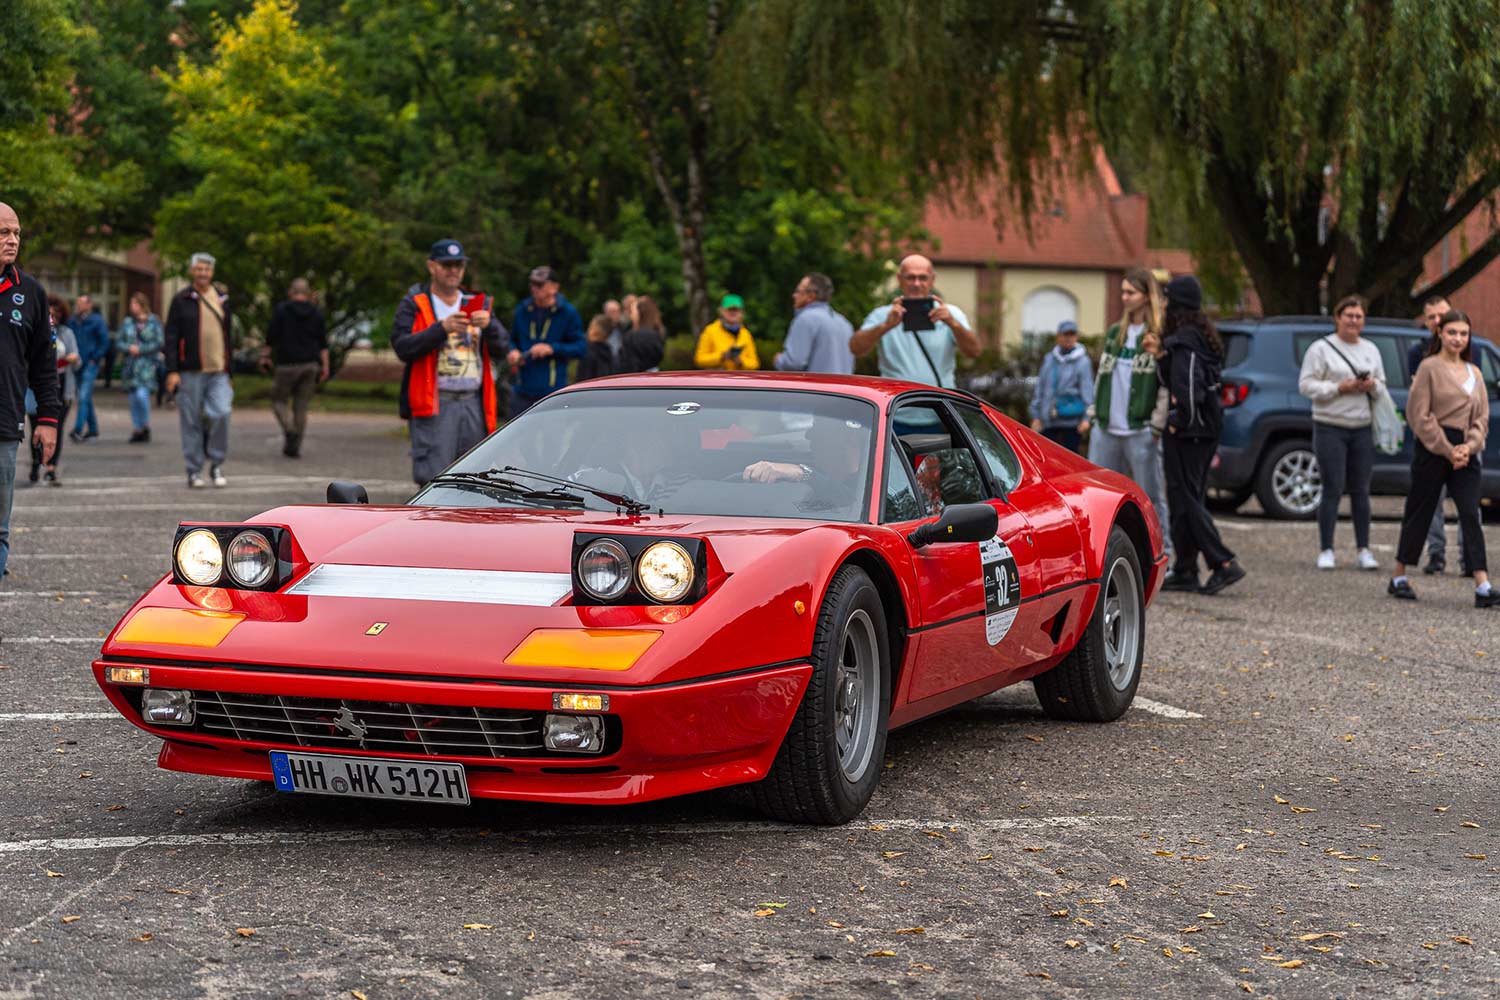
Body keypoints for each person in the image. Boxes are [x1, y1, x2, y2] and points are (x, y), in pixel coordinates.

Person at [1388, 310, 1494, 607]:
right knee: (1420, 510)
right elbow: (1418, 415)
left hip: (1466, 451)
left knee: (1470, 513)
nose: (1458, 339)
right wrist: (1447, 449)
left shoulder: (1474, 372)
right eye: (1452, 333)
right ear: (1440, 334)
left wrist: (1468, 447)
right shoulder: (1429, 368)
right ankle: (1399, 575)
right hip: (1434, 448)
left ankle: (1482, 584)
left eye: (1463, 333)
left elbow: (1481, 417)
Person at [393, 240, 511, 486]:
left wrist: (490, 326)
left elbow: (503, 348)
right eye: (447, 265)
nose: (453, 270)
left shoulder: (479, 303)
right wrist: (441, 329)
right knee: (433, 477)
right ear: (432, 266)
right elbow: (402, 347)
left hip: (473, 403)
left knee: (474, 478)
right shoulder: (415, 303)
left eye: (459, 265)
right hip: (436, 402)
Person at [1158, 275, 1244, 595]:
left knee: (1187, 497)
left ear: (1176, 304)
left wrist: (1180, 421)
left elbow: (1185, 385)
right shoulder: (1199, 336)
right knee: (1183, 497)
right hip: (1205, 428)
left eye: (1166, 299)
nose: (1163, 305)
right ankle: (1185, 569)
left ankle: (1222, 562)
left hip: (1191, 431)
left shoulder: (1186, 339)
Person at [1297, 294, 1387, 571]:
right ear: (1338, 318)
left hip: (1361, 427)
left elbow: (1382, 386)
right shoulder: (1320, 349)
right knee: (1332, 487)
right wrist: (1338, 388)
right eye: (1349, 315)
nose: (1354, 321)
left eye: (1359, 316)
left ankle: (1363, 549)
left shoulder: (1371, 349)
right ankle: (1326, 548)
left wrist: (1371, 385)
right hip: (1329, 426)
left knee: (1361, 489)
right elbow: (1306, 385)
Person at [1089, 267, 1172, 558]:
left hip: (1140, 429)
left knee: (1150, 495)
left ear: (1146, 296)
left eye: (1130, 292)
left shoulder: (1157, 336)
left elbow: (1164, 384)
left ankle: (1164, 552)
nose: (1124, 297)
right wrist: (1093, 413)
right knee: (1097, 495)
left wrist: (1156, 426)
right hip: (1106, 427)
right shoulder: (1115, 333)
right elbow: (1102, 376)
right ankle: (1099, 552)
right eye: (1122, 291)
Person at [0, 202, 62, 581]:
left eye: (16, 233)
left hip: (4, 426)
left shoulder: (32, 293)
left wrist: (49, 419)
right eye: (3, 233)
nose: (12, 240)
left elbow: (44, 363)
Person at [851, 254, 982, 387]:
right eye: (910, 277)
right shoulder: (883, 315)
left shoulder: (951, 313)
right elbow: (856, 348)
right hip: (898, 402)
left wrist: (952, 323)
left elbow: (974, 352)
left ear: (932, 280)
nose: (916, 284)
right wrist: (885, 326)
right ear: (899, 279)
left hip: (938, 402)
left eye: (923, 278)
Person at [164, 252, 234, 488]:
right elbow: (171, 336)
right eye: (199, 269)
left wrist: (230, 371)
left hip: (219, 370)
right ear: (192, 271)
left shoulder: (223, 298)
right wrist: (172, 370)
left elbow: (228, 336)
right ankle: (194, 470)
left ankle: (216, 463)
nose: (203, 273)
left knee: (221, 413)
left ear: (212, 272)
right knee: (191, 420)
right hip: (190, 371)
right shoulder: (181, 299)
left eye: (207, 269)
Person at [1409, 294, 1462, 575]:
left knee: (1467, 503)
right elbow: (1420, 402)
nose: (1437, 321)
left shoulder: (1468, 350)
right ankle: (1436, 554)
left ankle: (1470, 560)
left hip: (1462, 437)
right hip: (1431, 438)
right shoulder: (1418, 354)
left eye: (1442, 315)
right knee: (1432, 500)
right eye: (1431, 317)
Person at [262, 277, 329, 458]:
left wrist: (265, 356)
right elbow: (323, 343)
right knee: (301, 407)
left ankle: (289, 429)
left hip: (286, 365)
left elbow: (271, 336)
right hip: (310, 366)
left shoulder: (282, 310)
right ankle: (294, 448)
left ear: (291, 292)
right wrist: (325, 366)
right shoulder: (316, 313)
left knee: (278, 401)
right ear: (307, 293)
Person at [507, 265, 585, 416]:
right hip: (523, 390)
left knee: (553, 438)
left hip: (553, 393)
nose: (535, 288)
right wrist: (513, 352)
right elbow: (512, 340)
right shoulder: (522, 310)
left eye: (540, 285)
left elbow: (580, 347)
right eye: (532, 284)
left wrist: (552, 348)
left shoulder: (567, 313)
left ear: (554, 287)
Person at [27, 300, 79, 485]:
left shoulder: (66, 333)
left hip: (62, 383)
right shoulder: (34, 331)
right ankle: (35, 462)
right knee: (35, 428)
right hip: (37, 385)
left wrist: (68, 359)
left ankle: (51, 467)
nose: (52, 319)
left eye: (55, 315)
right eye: (48, 315)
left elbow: (76, 357)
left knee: (56, 428)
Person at [1029, 320, 1095, 452]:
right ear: (1058, 336)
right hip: (1047, 420)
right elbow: (1041, 388)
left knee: (1070, 459)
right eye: (1065, 334)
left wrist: (1087, 419)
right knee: (1046, 456)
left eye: (1072, 334)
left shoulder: (1083, 362)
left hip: (1072, 422)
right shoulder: (1049, 359)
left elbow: (1087, 390)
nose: (1069, 338)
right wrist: (1035, 415)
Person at [774, 273, 854, 375]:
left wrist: (779, 360)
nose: (794, 295)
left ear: (811, 296)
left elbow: (794, 363)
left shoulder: (806, 319)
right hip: (842, 389)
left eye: (798, 291)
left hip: (814, 389)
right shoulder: (844, 323)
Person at [117, 292, 163, 444]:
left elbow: (159, 342)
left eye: (134, 304)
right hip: (130, 366)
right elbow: (119, 342)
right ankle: (137, 429)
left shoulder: (153, 321)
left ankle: (145, 424)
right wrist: (129, 348)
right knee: (132, 398)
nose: (131, 307)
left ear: (142, 305)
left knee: (141, 395)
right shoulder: (128, 322)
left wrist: (141, 349)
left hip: (147, 365)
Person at [68, 293, 108, 443]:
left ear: (89, 305)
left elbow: (104, 341)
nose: (78, 306)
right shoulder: (73, 321)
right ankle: (93, 430)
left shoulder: (96, 321)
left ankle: (77, 429)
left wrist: (95, 358)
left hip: (90, 364)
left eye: (81, 303)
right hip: (77, 363)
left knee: (83, 396)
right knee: (85, 398)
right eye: (77, 303)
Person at [695, 294, 760, 370]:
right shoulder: (710, 331)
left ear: (742, 312)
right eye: (729, 309)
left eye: (736, 310)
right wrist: (722, 357)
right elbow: (699, 359)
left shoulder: (745, 334)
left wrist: (740, 362)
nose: (733, 313)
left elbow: (755, 363)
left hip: (739, 379)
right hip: (716, 379)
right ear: (721, 311)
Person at [620, 295, 666, 373]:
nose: (631, 316)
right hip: (655, 376)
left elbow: (628, 364)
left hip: (635, 379)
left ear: (640, 313)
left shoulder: (632, 336)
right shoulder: (660, 331)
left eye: (632, 311)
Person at [578, 314, 617, 381]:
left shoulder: (589, 353)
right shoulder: (609, 352)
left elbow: (583, 383)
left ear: (594, 331)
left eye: (590, 327)